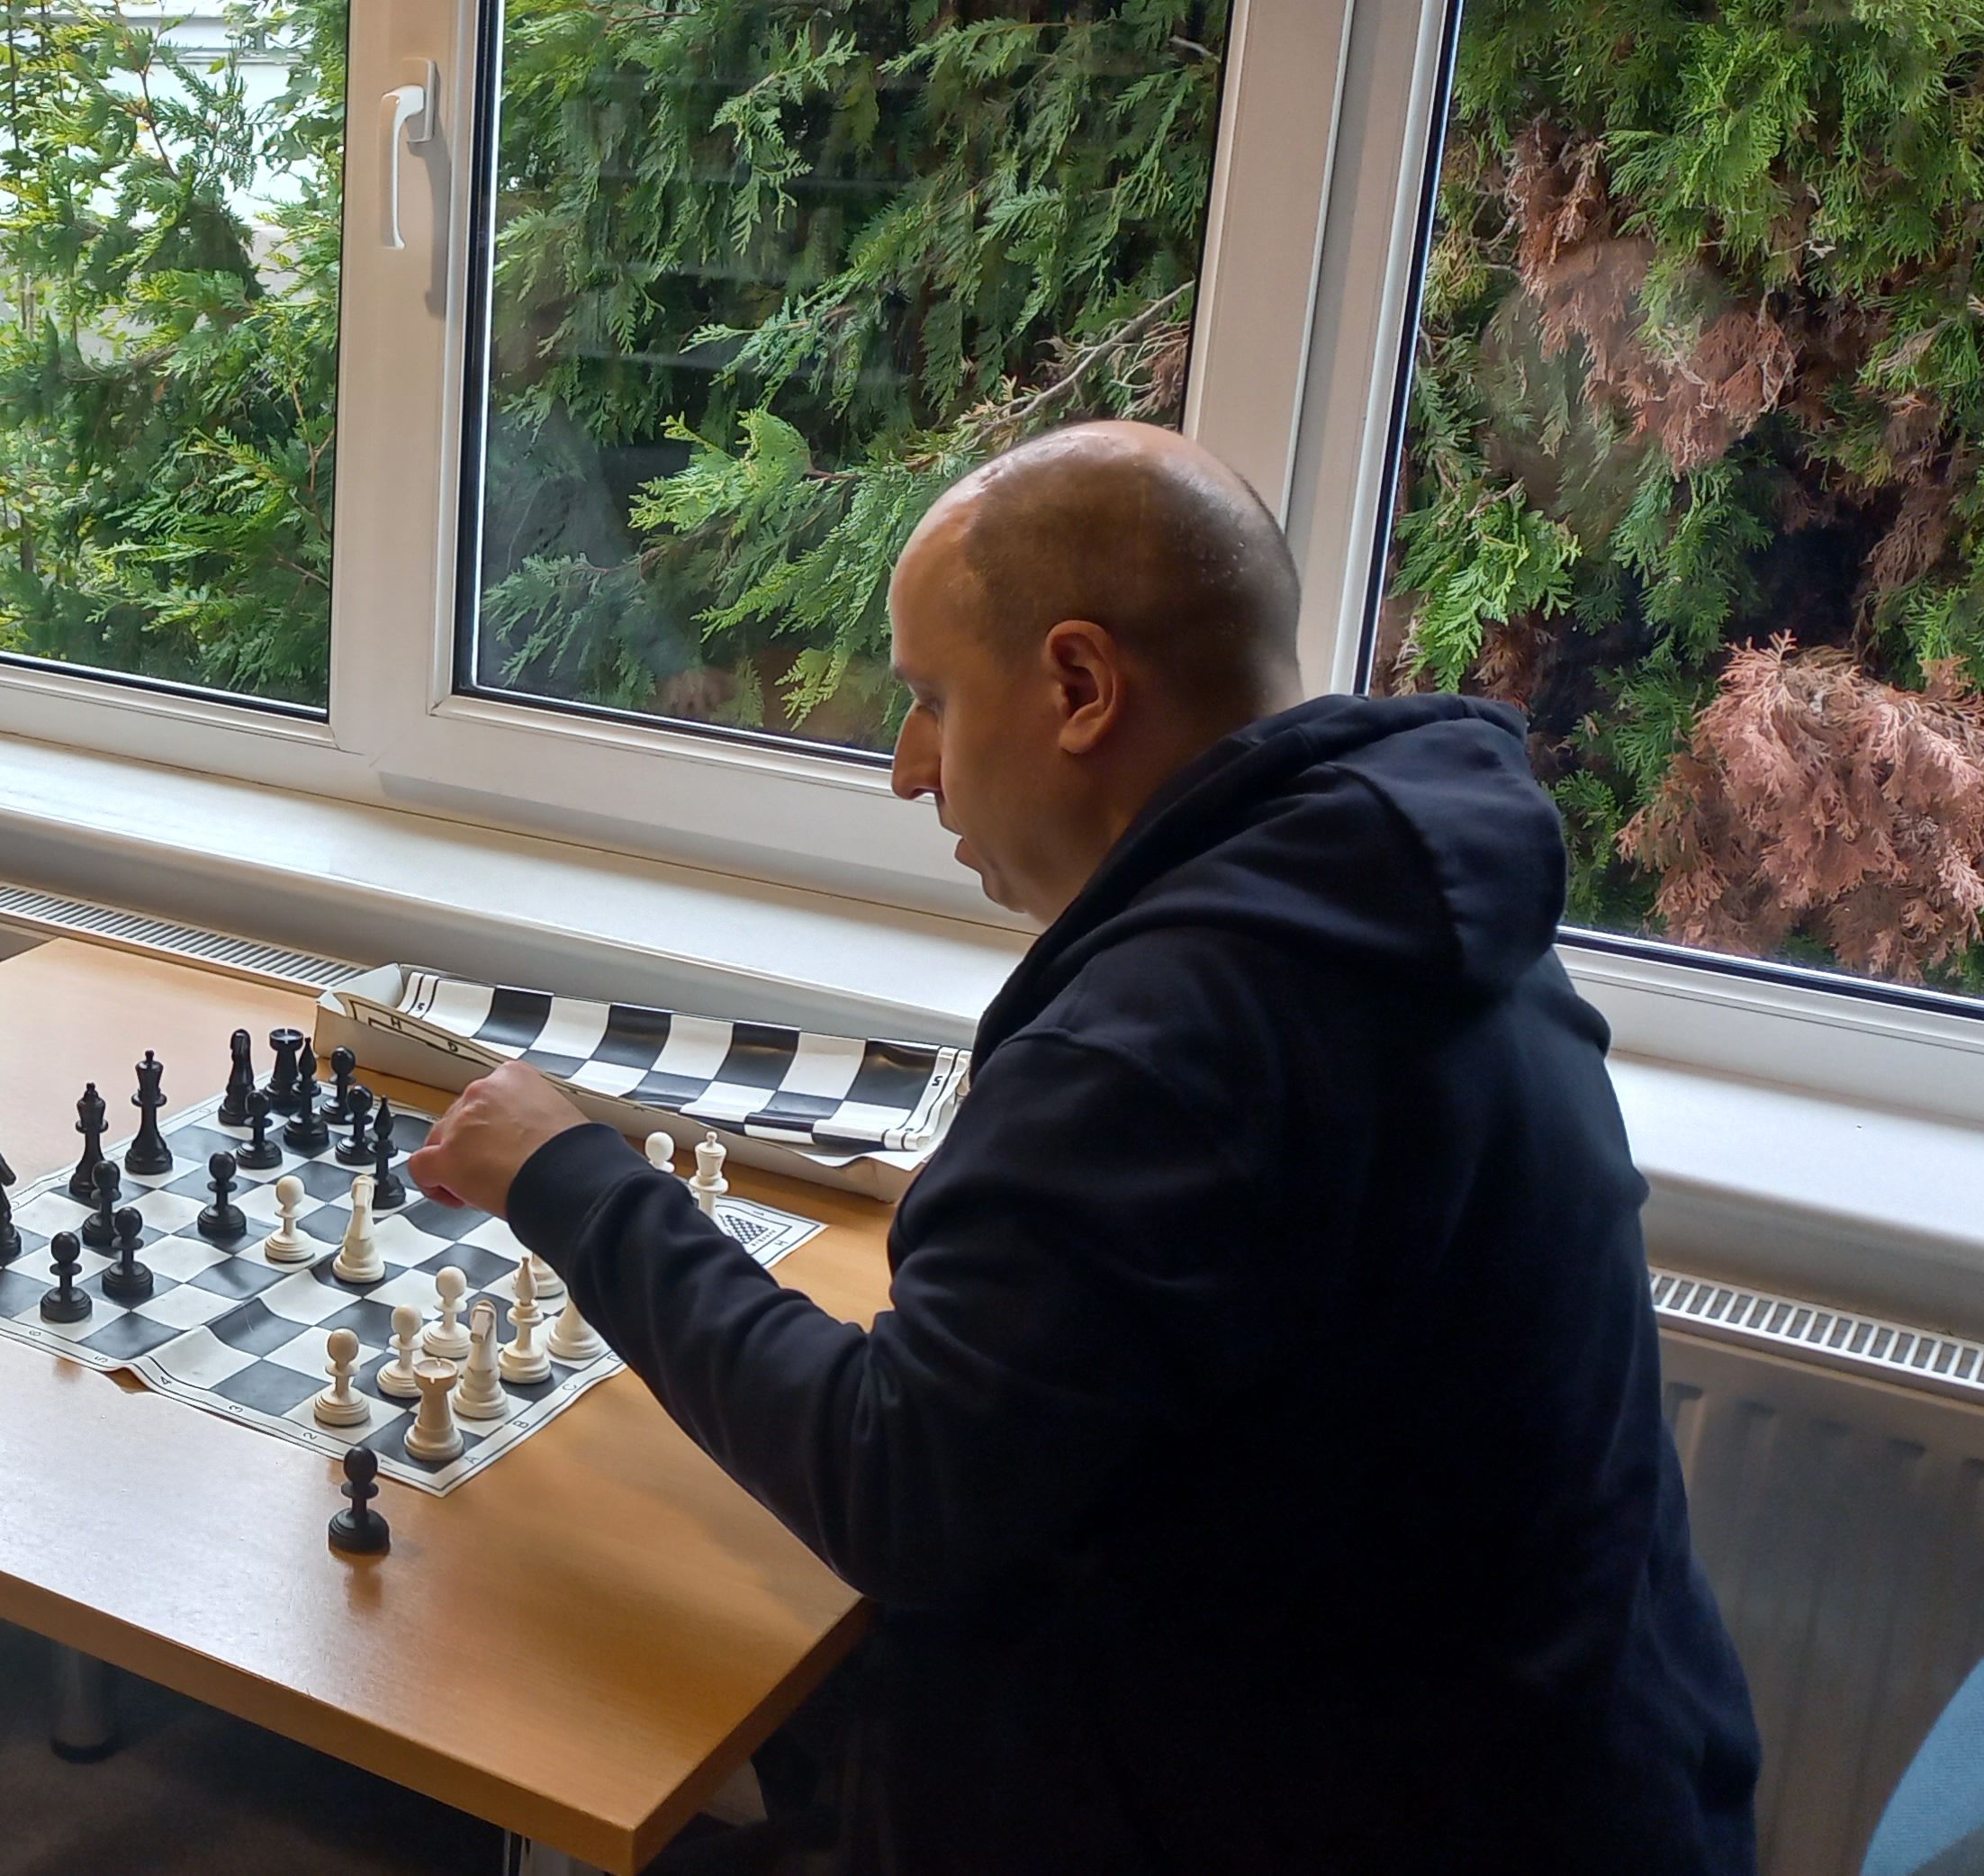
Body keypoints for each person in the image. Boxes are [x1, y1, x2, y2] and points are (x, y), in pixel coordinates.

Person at [408, 422, 1762, 1871]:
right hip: (1572, 1773)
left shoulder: (1169, 1041)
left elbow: (895, 1485)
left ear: (1079, 687)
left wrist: (570, 1177)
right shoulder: (1399, 899)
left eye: (931, 700)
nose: (909, 770)